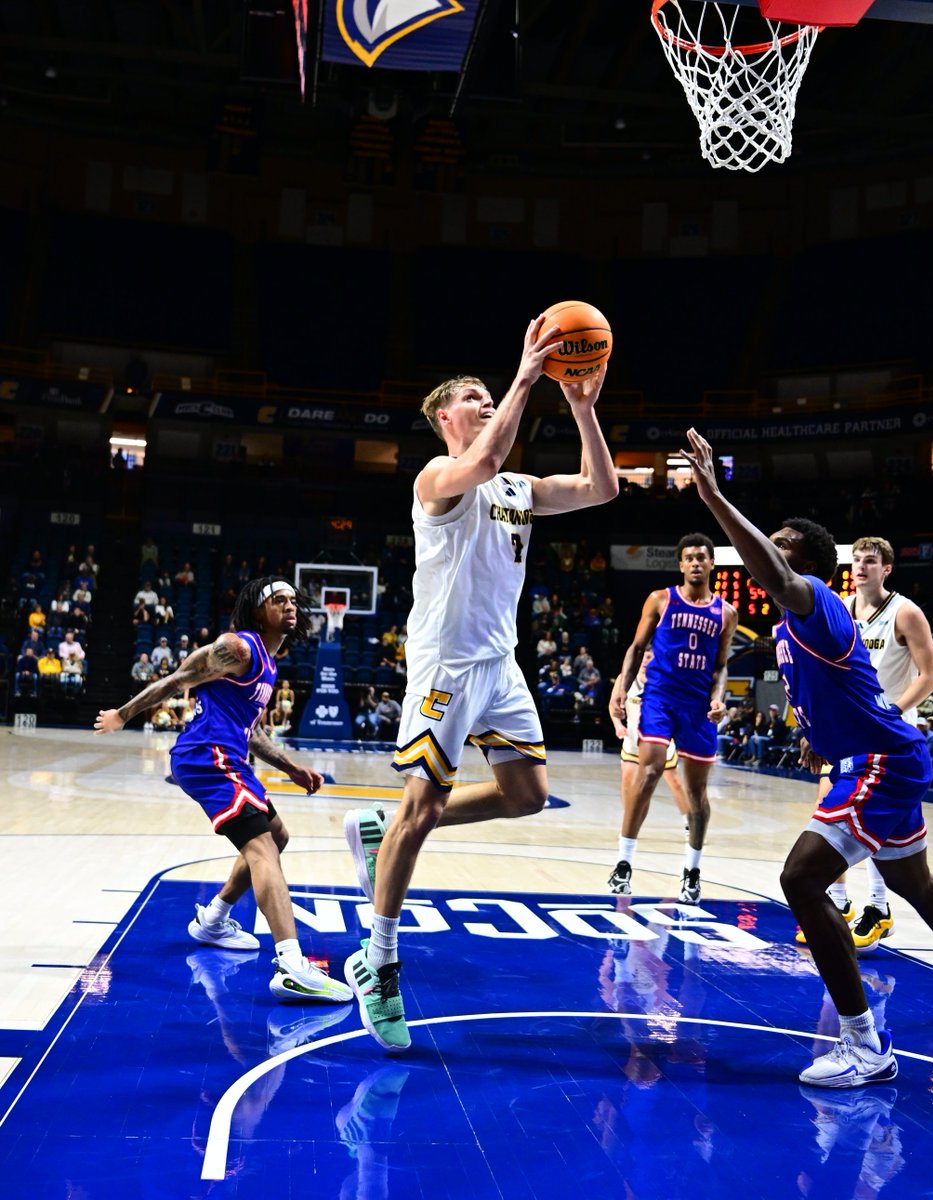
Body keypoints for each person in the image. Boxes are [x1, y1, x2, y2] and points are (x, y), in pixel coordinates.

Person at [681, 427, 933, 1088]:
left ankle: (865, 1045)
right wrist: (816, 734)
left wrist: (714, 497)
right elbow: (833, 686)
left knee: (802, 880)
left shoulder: (815, 598)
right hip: (877, 756)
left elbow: (777, 573)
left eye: (779, 543)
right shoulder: (795, 625)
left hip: (881, 761)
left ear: (804, 560)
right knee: (914, 882)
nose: (767, 549)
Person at [341, 317, 618, 1051]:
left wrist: (583, 408)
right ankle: (378, 962)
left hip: (500, 664)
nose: (487, 402)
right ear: (443, 419)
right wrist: (527, 375)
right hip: (446, 665)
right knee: (424, 807)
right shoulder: (436, 479)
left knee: (526, 795)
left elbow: (602, 488)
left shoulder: (517, 487)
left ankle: (378, 831)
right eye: (473, 397)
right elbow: (488, 454)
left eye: (491, 395)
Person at [94, 577, 352, 1005]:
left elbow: (251, 731)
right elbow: (177, 680)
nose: (290, 606)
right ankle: (292, 966)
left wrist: (290, 767)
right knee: (262, 849)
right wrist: (123, 714)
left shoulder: (269, 663)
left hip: (229, 757)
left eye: (293, 600)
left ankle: (213, 920)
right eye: (279, 600)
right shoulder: (238, 648)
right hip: (206, 755)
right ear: (258, 611)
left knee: (277, 836)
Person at [606, 532, 736, 903]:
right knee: (648, 772)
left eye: (702, 557)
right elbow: (636, 648)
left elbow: (720, 666)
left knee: (696, 793)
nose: (696, 563)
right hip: (660, 699)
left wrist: (718, 699)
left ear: (712, 564)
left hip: (697, 707)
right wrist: (621, 688)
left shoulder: (726, 613)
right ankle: (624, 863)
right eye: (689, 558)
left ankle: (692, 870)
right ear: (680, 564)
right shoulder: (661, 599)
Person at [834, 535, 933, 953]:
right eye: (857, 560)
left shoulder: (905, 612)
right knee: (866, 819)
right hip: (851, 732)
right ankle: (849, 903)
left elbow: (929, 676)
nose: (861, 567)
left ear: (887, 569)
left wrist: (892, 711)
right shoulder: (841, 609)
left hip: (892, 735)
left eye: (871, 561)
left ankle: (877, 906)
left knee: (880, 823)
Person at [609, 647, 692, 840]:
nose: (646, 661)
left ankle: (690, 823)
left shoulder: (665, 680)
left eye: (651, 658)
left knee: (675, 781)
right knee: (627, 780)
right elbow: (612, 705)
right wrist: (618, 724)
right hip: (632, 737)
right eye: (645, 657)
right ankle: (629, 824)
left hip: (658, 737)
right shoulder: (625, 679)